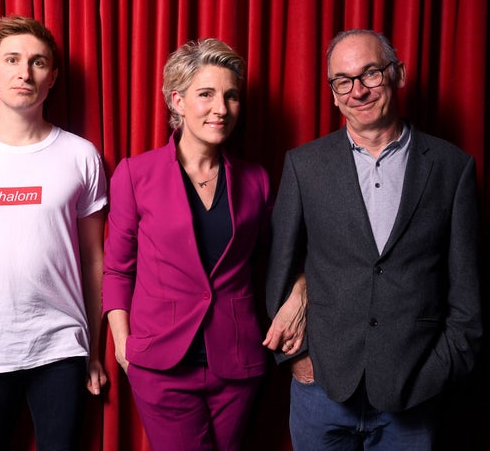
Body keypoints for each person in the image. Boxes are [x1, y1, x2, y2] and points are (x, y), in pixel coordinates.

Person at [265, 29, 482, 450]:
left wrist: (433, 374)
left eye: (370, 74)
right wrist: (297, 360)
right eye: (342, 81)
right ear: (332, 93)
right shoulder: (304, 166)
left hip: (412, 397)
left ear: (397, 74)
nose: (357, 91)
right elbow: (279, 269)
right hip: (321, 392)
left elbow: (466, 296)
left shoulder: (452, 169)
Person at [102, 38, 306, 451]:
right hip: (161, 365)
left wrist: (301, 291)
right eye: (206, 94)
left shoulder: (257, 179)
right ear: (177, 100)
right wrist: (124, 347)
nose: (221, 108)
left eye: (231, 96)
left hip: (237, 363)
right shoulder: (134, 174)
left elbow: (278, 260)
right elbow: (118, 268)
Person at [0, 15, 108, 450]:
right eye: (12, 60)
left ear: (52, 77)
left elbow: (94, 259)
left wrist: (95, 351)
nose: (24, 73)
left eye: (37, 62)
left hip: (61, 347)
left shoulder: (81, 155)